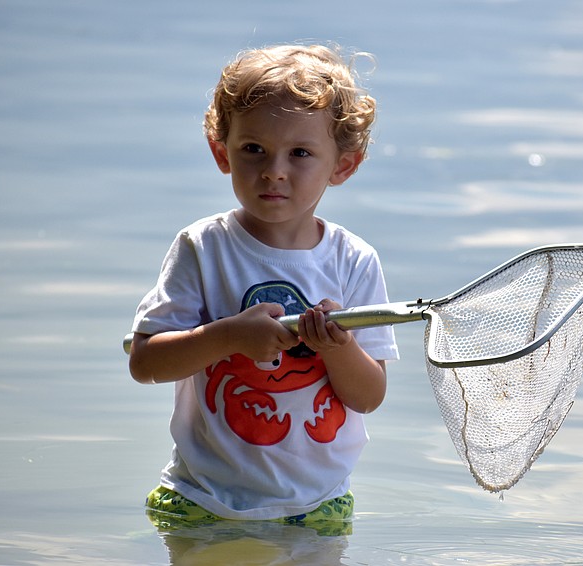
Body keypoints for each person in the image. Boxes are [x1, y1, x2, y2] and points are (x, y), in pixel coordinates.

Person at [128, 44, 399, 530]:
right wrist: (227, 337)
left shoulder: (353, 260)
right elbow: (146, 363)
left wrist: (337, 349)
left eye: (300, 153)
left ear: (343, 166)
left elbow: (368, 396)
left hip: (317, 508)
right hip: (201, 502)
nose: (274, 170)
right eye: (253, 149)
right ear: (221, 152)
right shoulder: (204, 246)